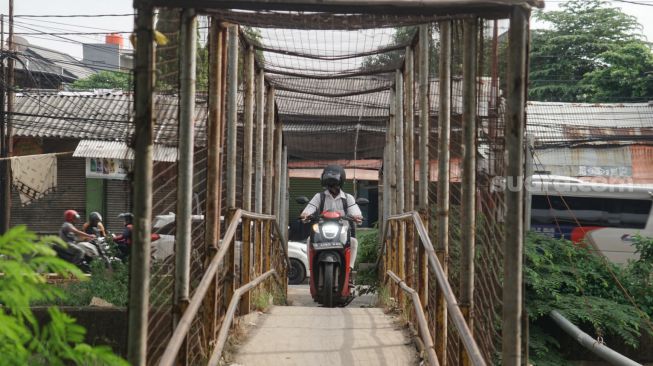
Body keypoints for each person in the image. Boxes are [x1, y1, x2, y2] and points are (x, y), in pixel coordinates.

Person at [299, 165, 363, 281]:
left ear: (340, 184)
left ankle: (349, 271)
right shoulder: (319, 196)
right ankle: (312, 271)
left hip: (343, 233)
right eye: (330, 186)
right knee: (309, 240)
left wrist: (357, 216)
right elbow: (310, 208)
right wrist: (305, 214)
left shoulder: (348, 198)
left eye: (334, 185)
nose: (332, 188)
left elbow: (355, 210)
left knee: (353, 242)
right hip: (321, 232)